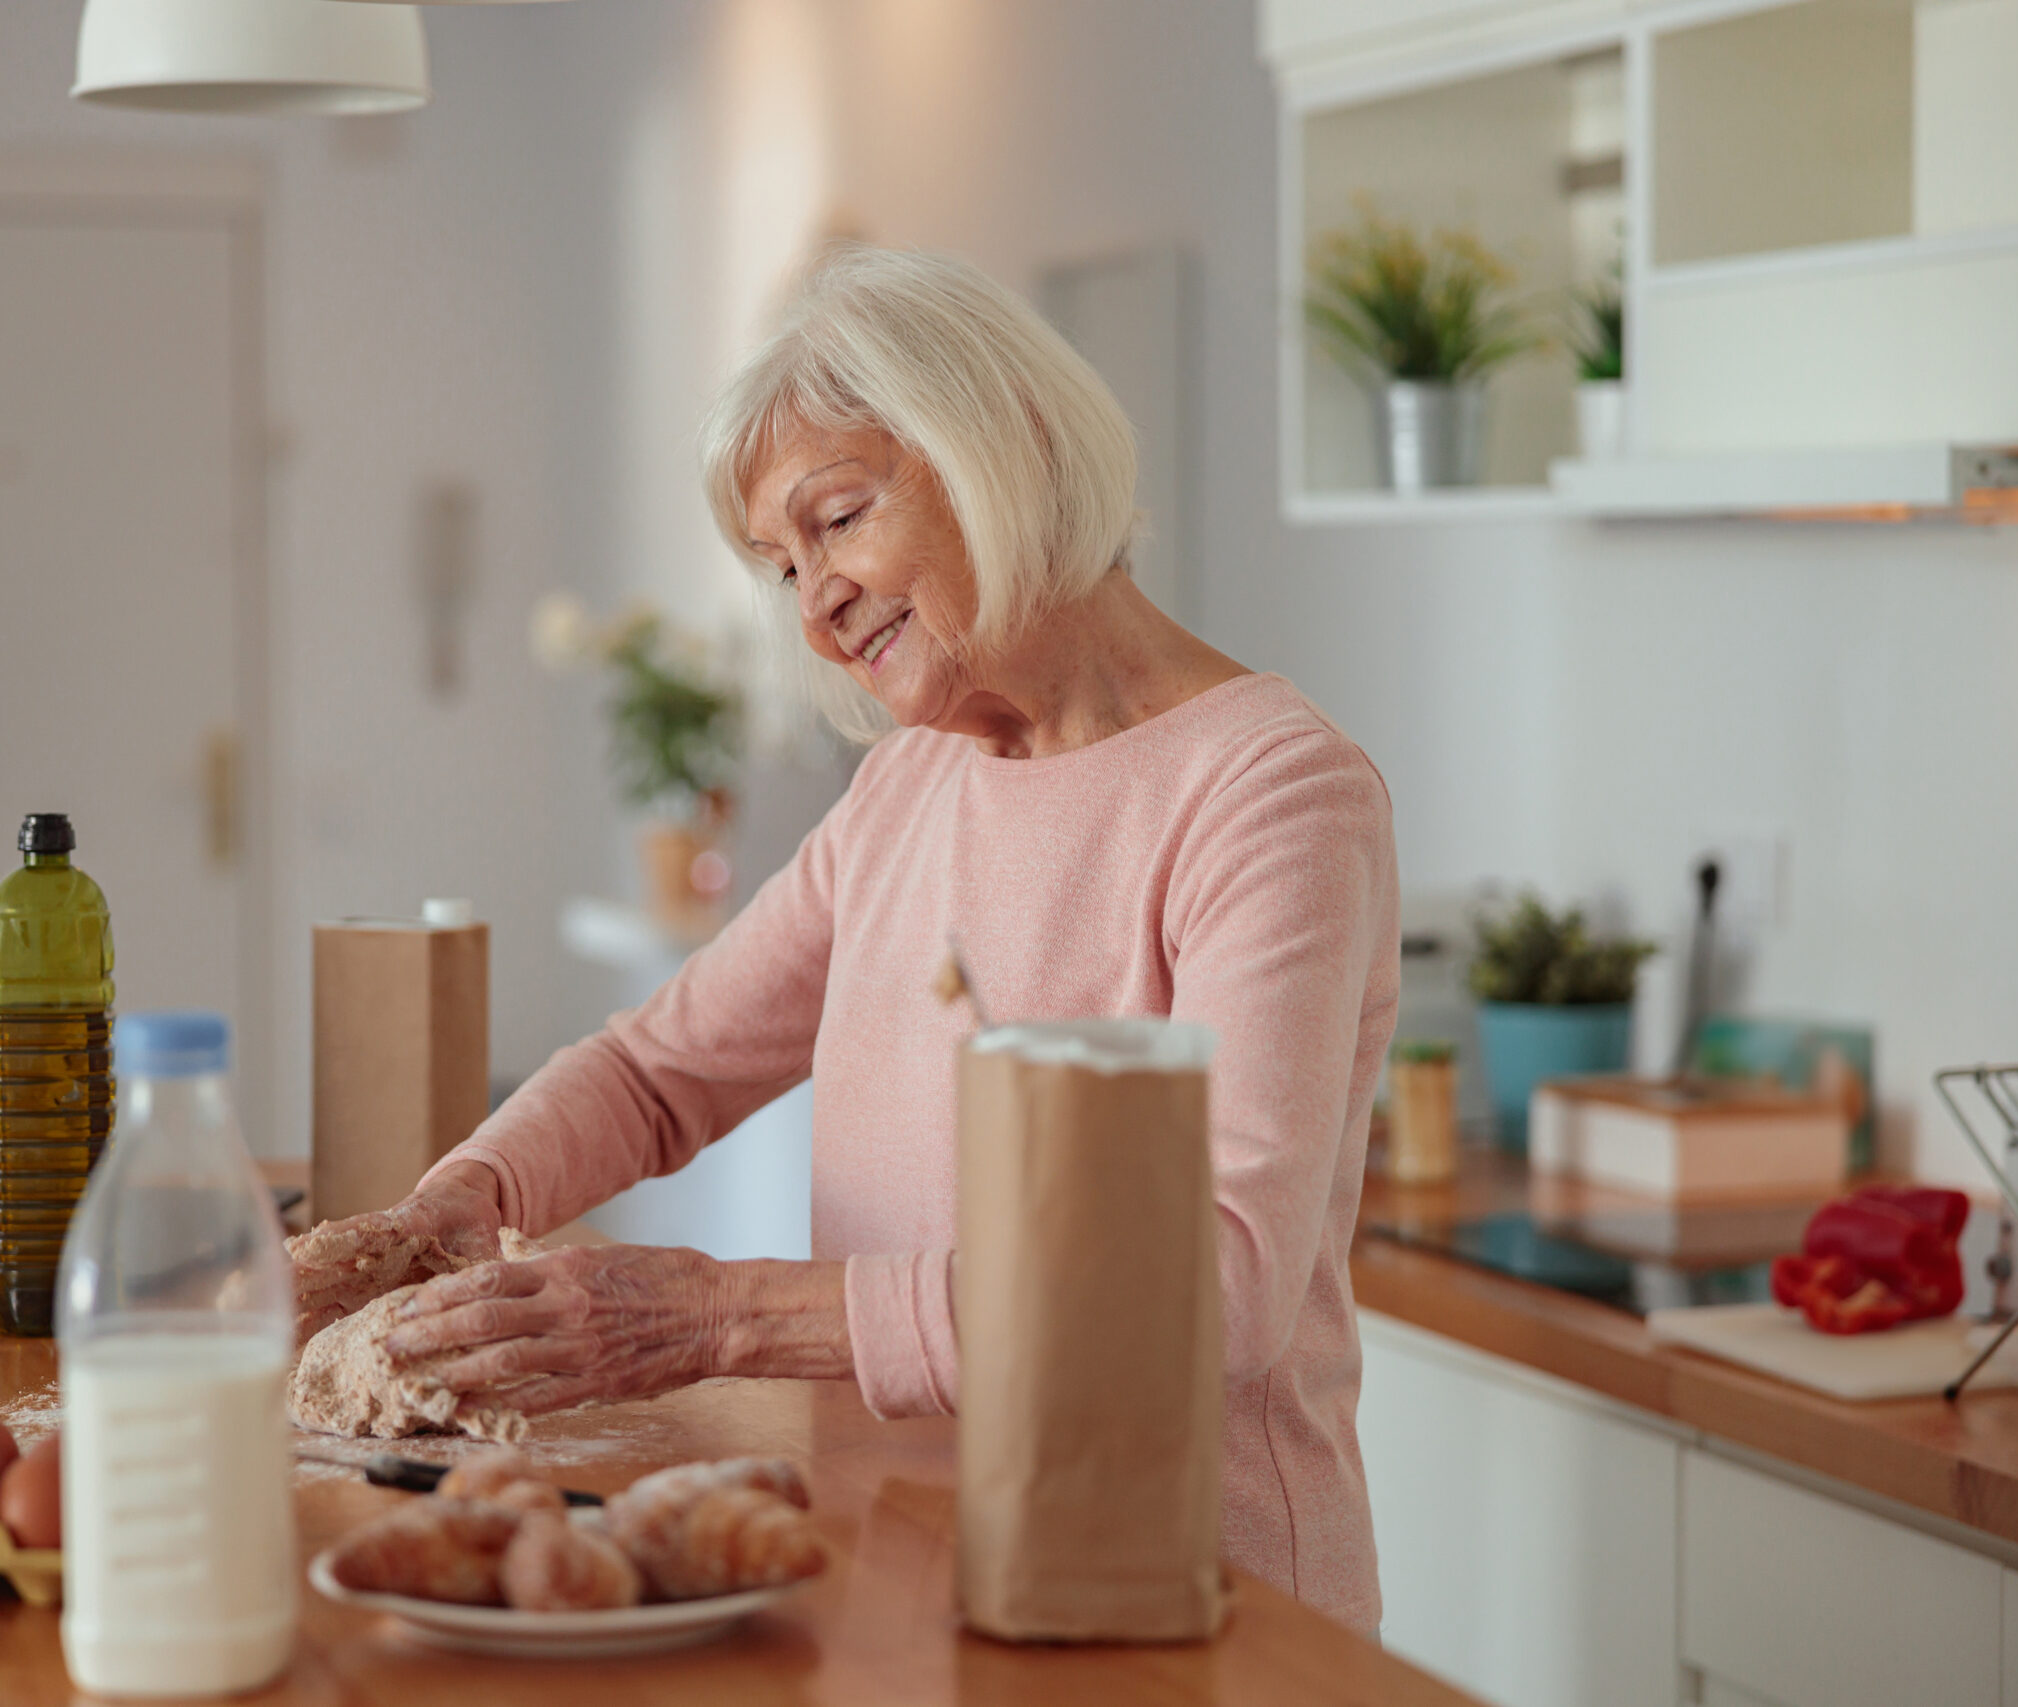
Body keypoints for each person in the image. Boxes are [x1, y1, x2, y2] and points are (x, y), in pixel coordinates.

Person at [290, 243, 1398, 1627]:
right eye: (780, 566)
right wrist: (463, 1199)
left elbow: (1210, 1289)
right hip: (906, 1571)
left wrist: (718, 1319)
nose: (813, 606)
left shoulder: (1270, 791)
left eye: (841, 518)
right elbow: (658, 1072)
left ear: (1011, 442)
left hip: (1194, 1608)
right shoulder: (910, 787)